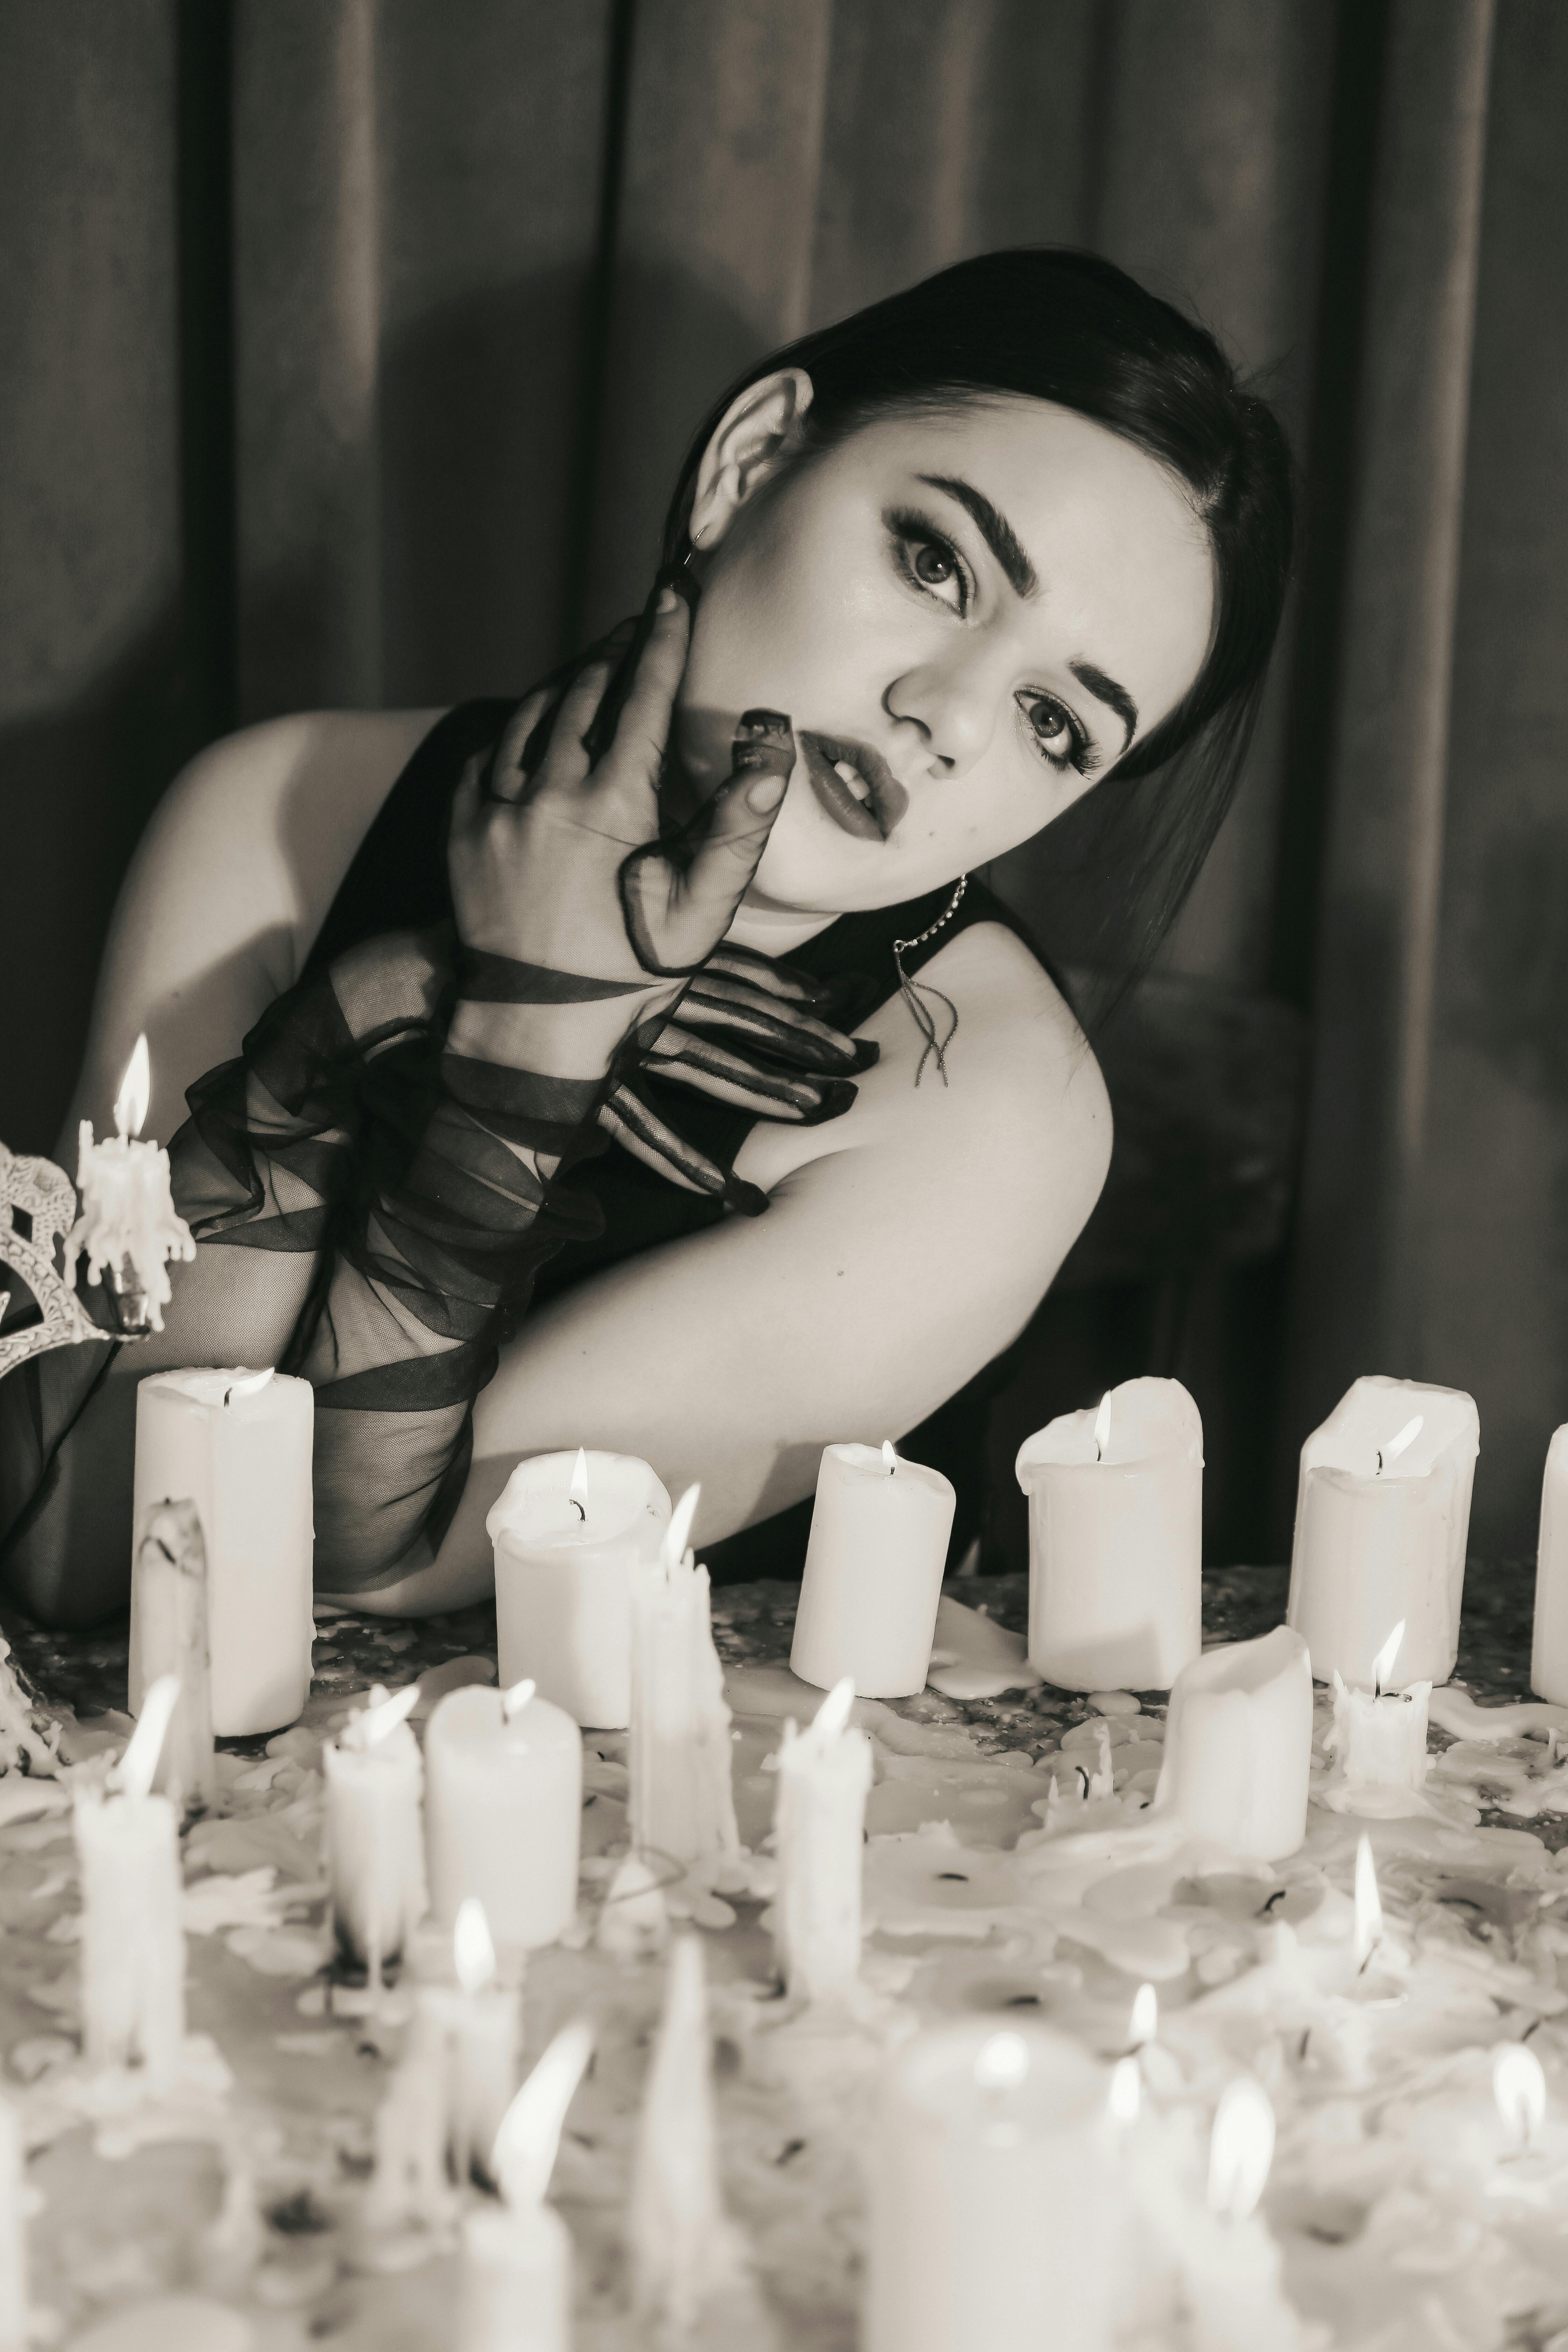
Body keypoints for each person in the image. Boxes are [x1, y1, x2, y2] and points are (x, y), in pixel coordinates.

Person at [0, 247, 1293, 1628]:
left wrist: (520, 1050)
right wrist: (355, 1025)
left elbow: (351, 1573)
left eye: (1057, 725)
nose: (954, 715)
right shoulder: (281, 816)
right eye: (936, 563)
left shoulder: (993, 1109)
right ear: (750, 465)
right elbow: (86, 1546)